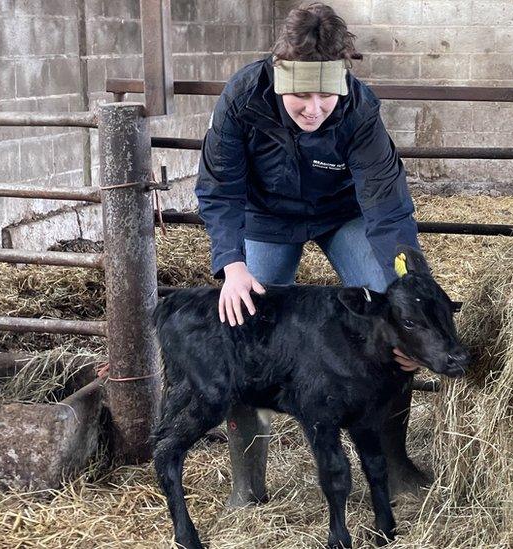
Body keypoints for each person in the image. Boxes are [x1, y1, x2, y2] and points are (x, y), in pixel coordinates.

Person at [194, 2, 429, 504]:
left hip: (342, 214)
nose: (314, 107)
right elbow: (220, 189)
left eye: (326, 93)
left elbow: (387, 208)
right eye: (301, 94)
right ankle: (247, 483)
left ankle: (392, 460)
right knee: (243, 325)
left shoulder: (360, 108)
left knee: (390, 313)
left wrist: (407, 288)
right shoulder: (242, 97)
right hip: (266, 218)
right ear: (279, 79)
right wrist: (231, 265)